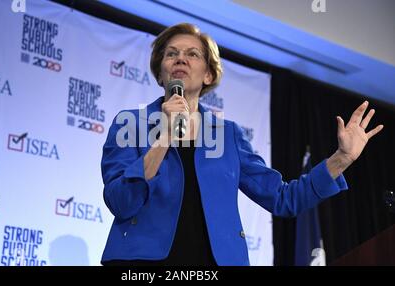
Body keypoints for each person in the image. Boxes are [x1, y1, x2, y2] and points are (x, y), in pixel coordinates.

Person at [100, 23, 384, 266]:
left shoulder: (228, 136)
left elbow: (284, 199)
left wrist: (342, 158)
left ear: (208, 75)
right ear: (161, 74)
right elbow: (121, 202)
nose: (180, 59)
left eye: (192, 54)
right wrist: (165, 136)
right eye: (171, 54)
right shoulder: (131, 125)